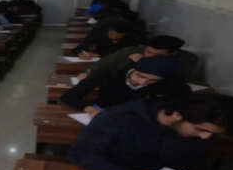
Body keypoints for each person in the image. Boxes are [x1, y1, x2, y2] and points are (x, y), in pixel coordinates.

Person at [68, 92, 233, 170]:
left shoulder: (200, 128)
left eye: (213, 134)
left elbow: (190, 164)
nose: (206, 137)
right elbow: (82, 154)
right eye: (201, 130)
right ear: (177, 115)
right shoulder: (119, 118)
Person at [61, 56, 191, 118]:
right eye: (139, 76)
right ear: (134, 69)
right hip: (100, 113)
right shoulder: (110, 74)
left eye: (152, 81)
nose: (142, 82)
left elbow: (182, 103)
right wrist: (87, 107)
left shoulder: (170, 84)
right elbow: (69, 96)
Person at [75, 35, 196, 82]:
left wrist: (142, 64)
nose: (150, 56)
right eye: (148, 52)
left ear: (173, 53)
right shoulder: (132, 51)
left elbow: (181, 80)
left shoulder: (186, 60)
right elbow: (104, 64)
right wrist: (88, 72)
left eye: (157, 55)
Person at [70, 19, 141, 59]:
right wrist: (80, 53)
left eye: (118, 37)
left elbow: (124, 55)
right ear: (107, 30)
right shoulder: (97, 33)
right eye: (112, 34)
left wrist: (98, 54)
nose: (114, 38)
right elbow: (77, 49)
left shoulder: (129, 39)